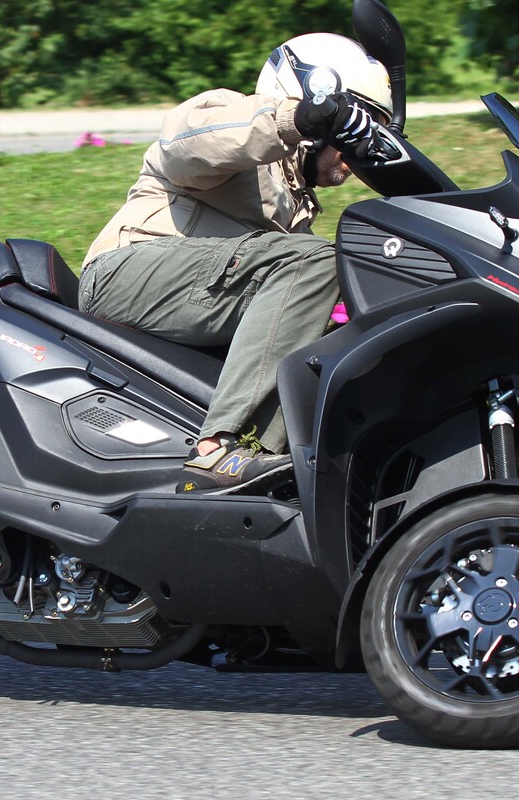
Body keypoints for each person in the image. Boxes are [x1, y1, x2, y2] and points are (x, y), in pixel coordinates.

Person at [79, 33, 391, 494]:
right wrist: (298, 120)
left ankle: (283, 465)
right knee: (318, 262)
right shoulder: (233, 118)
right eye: (353, 126)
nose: (356, 150)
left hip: (194, 295)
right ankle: (220, 449)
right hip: (123, 272)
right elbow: (188, 145)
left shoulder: (297, 209)